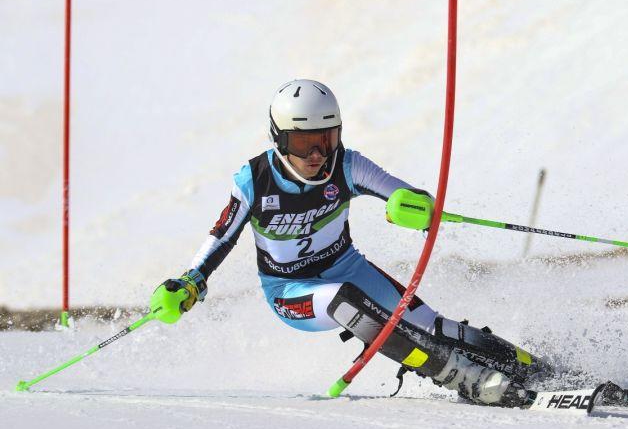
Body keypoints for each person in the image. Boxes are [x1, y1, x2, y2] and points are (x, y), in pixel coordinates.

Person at [150, 79, 546, 407]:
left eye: (327, 138)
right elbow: (222, 234)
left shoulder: (348, 164)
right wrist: (191, 280)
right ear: (279, 139)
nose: (318, 154)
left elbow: (405, 194)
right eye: (304, 143)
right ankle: (466, 379)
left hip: (348, 268)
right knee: (346, 301)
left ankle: (535, 368)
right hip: (291, 292)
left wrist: (414, 207)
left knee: (433, 325)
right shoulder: (254, 180)